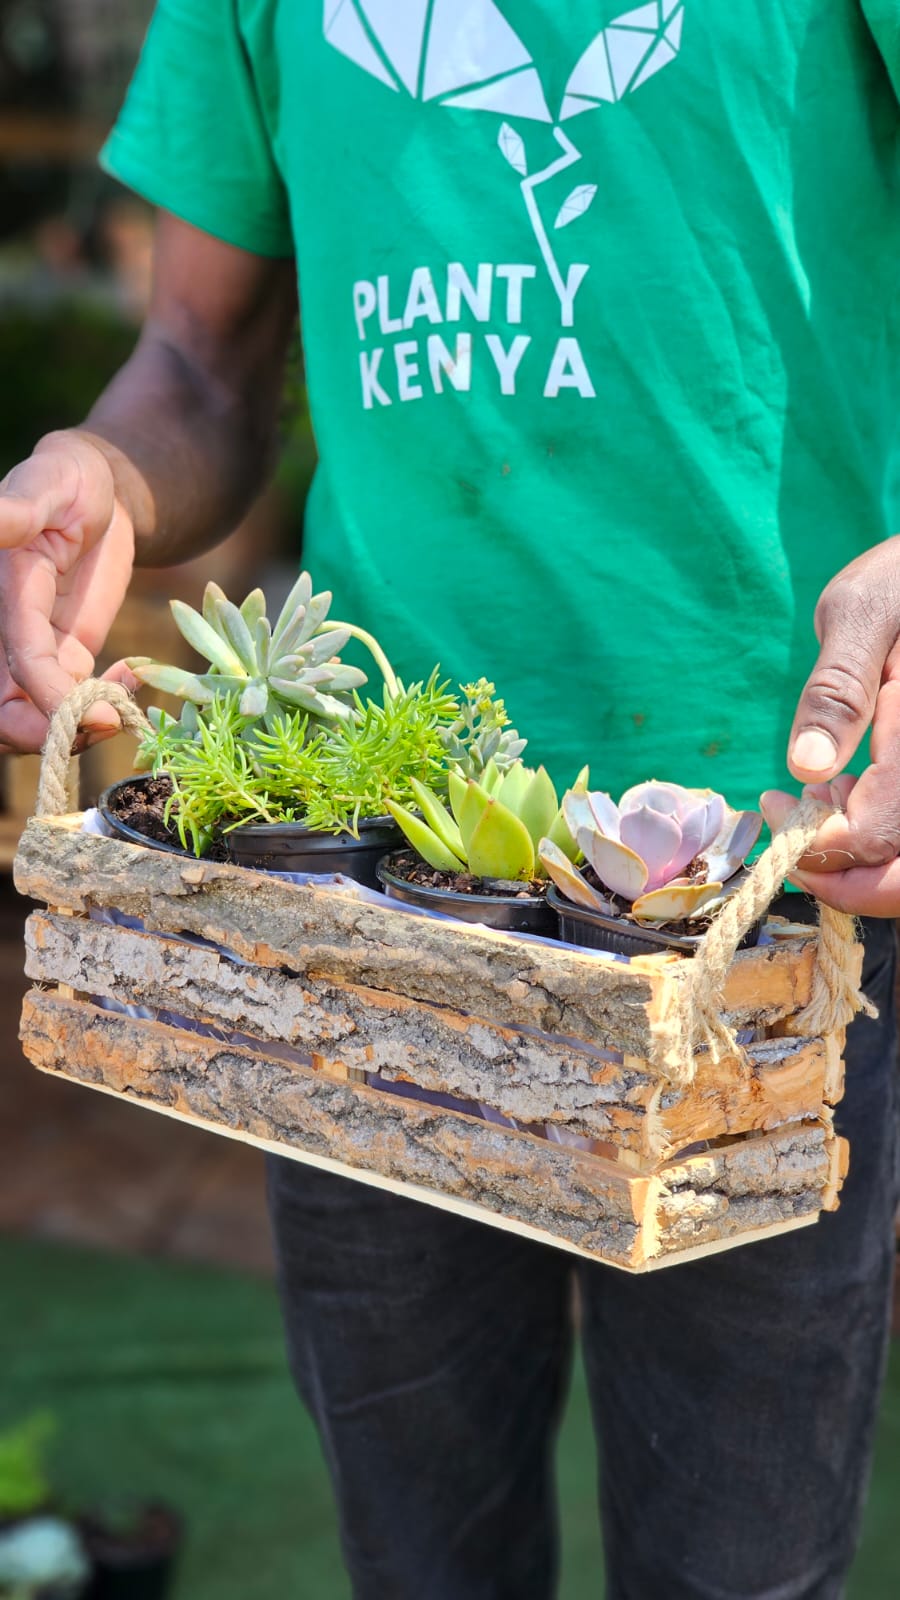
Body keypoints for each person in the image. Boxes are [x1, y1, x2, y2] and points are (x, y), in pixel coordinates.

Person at [2, 4, 899, 1594]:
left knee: (740, 1565)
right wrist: (107, 473)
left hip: (764, 880)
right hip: (366, 893)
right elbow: (201, 358)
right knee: (420, 1551)